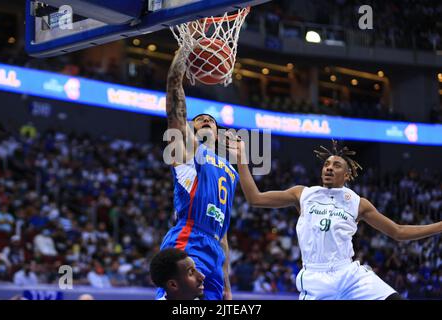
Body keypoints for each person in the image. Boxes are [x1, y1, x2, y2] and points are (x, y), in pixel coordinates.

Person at [229, 138, 442, 300]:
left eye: (336, 165)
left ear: (347, 175)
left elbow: (398, 232)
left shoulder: (358, 203)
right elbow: (254, 198)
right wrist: (241, 159)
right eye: (326, 164)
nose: (329, 167)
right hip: (315, 277)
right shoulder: (303, 194)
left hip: (348, 274)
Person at [156, 50, 239, 300]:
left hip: (214, 250)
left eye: (209, 120)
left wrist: (226, 285)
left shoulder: (230, 172)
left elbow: (223, 234)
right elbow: (176, 111)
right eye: (199, 120)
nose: (204, 121)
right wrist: (182, 55)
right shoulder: (190, 154)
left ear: (218, 130)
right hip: (190, 238)